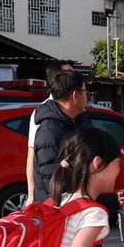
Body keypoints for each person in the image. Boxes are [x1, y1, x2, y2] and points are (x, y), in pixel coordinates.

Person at [26, 68, 91, 204]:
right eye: (85, 92)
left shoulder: (75, 119)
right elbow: (52, 179)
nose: (87, 97)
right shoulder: (50, 130)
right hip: (59, 206)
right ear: (75, 96)